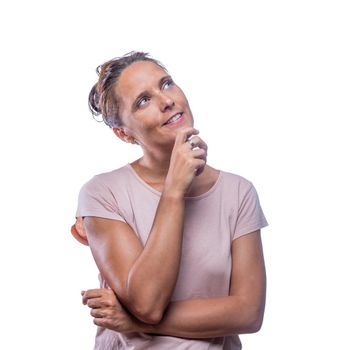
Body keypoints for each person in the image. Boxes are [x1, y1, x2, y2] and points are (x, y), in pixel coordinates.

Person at [72, 51, 269, 350]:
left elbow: (248, 313)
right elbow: (147, 302)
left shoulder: (238, 192)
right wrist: (174, 189)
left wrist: (135, 322)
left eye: (166, 84)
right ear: (123, 134)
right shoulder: (102, 193)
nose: (166, 101)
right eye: (143, 101)